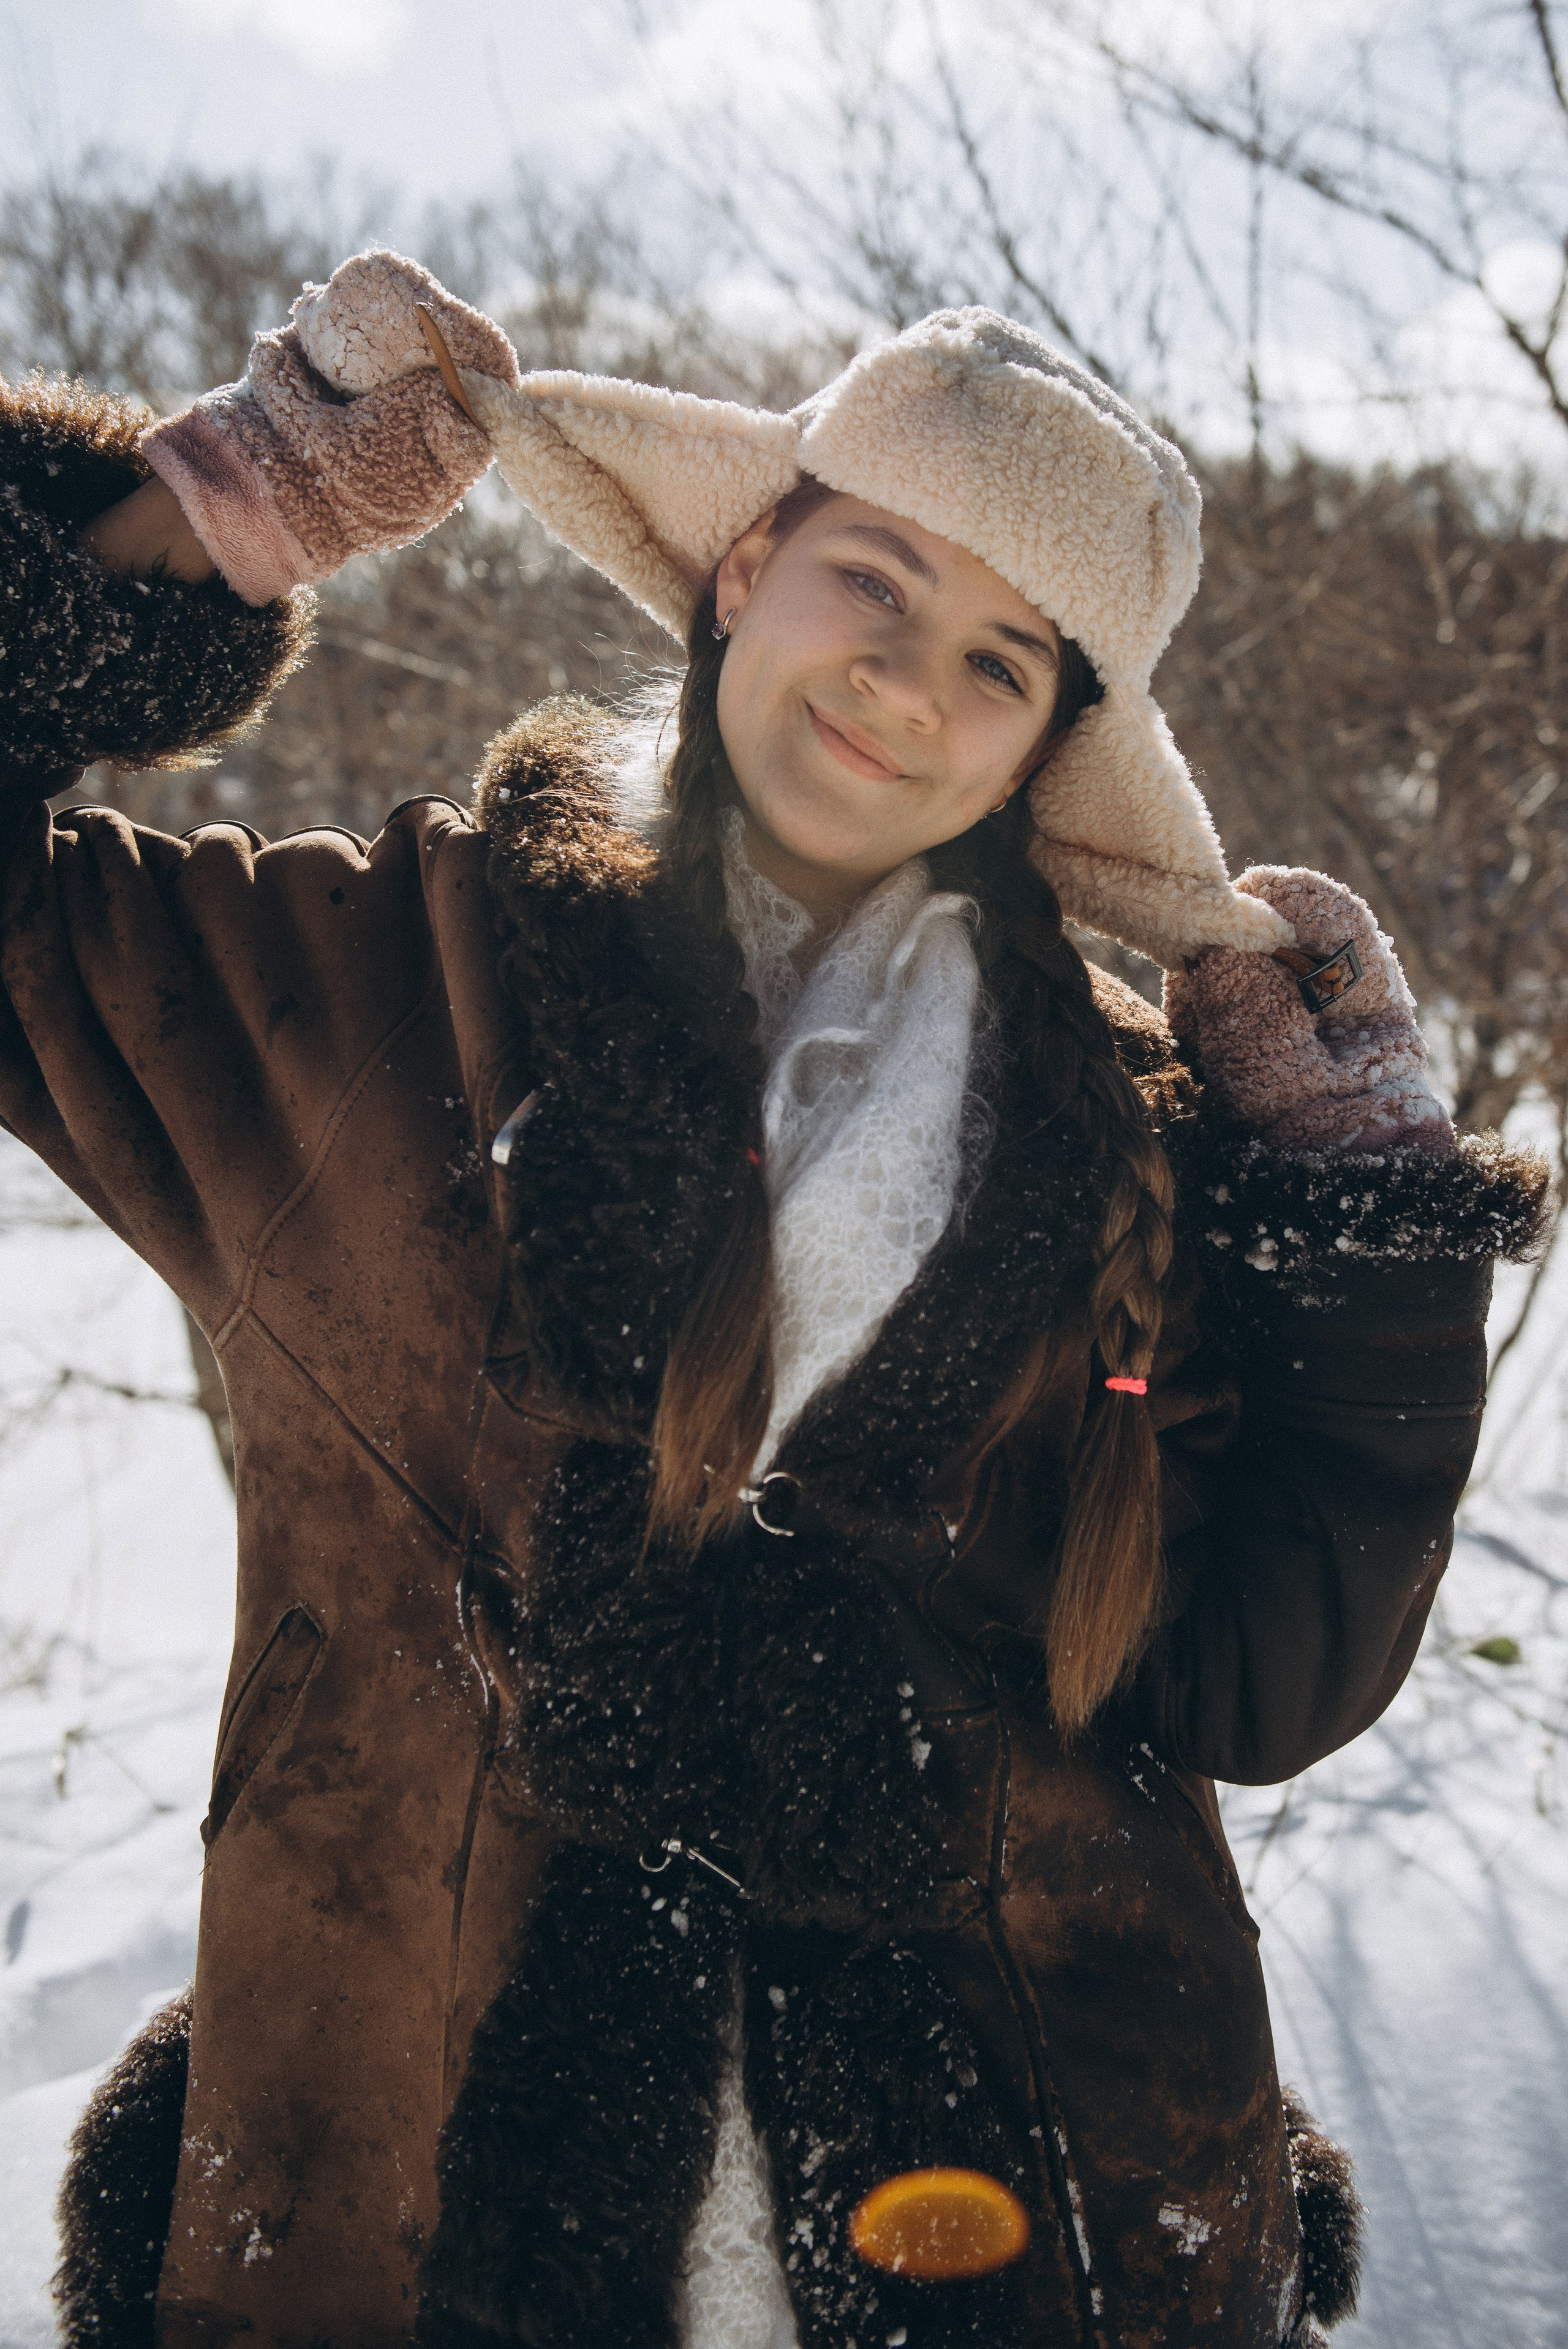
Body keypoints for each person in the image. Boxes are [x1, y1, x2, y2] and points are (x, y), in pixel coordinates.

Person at [0, 252, 1548, 2349]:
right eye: (875, 581)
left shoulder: (1132, 1139)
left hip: (1057, 2227)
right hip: (395, 2200)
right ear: (744, 567)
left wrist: (1356, 1214)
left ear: (1041, 756)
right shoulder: (363, 998)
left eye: (1004, 663)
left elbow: (1265, 1679)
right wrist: (212, 509)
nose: (909, 684)